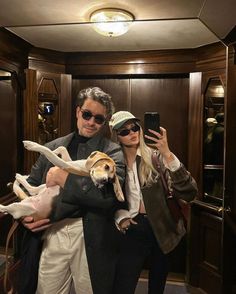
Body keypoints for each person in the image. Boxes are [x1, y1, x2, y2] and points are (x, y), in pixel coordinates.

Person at [17, 87, 126, 294]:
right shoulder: (53, 146)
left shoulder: (112, 151)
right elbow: (29, 186)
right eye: (87, 114)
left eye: (99, 119)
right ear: (78, 112)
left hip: (90, 233)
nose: (91, 122)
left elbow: (109, 198)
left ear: (105, 122)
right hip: (52, 230)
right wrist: (26, 218)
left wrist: (65, 179)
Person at [109, 111, 198, 294]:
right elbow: (106, 197)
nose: (132, 133)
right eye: (124, 131)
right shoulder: (112, 163)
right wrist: (120, 216)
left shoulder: (156, 157)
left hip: (161, 227)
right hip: (132, 228)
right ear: (116, 136)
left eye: (135, 127)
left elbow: (189, 192)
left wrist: (167, 154)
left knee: (157, 285)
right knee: (123, 285)